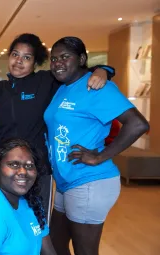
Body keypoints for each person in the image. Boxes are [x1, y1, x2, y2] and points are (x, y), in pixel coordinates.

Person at [0, 33, 114, 221]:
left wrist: (103, 70)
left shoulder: (47, 82)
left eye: (27, 57)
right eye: (15, 55)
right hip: (1, 172)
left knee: (37, 226)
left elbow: (75, 73)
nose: (19, 61)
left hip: (37, 171)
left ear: (35, 62)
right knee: (2, 224)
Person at [45, 36, 150, 255]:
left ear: (82, 58)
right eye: (53, 58)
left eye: (65, 57)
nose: (57, 63)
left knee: (85, 251)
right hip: (66, 180)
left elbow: (138, 124)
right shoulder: (63, 87)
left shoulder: (97, 86)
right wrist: (104, 68)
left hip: (90, 181)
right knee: (54, 244)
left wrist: (99, 156)